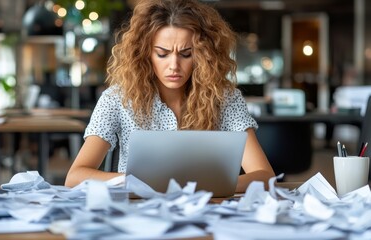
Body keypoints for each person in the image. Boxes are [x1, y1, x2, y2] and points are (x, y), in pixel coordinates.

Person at [65, 0, 275, 192]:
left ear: (203, 55)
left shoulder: (225, 99)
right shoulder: (116, 99)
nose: (174, 65)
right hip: (139, 212)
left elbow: (265, 176)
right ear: (145, 53)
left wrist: (212, 187)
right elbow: (75, 177)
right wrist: (135, 182)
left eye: (186, 54)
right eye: (162, 54)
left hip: (208, 211)